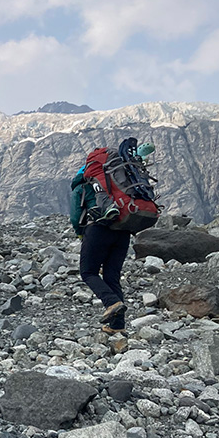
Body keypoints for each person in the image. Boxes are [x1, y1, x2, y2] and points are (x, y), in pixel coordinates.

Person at [70, 142, 154, 343]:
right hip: (123, 229)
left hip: (98, 228)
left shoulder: (83, 185)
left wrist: (80, 234)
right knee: (111, 275)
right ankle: (117, 326)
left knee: (88, 272)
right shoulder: (120, 179)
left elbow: (75, 215)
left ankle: (112, 303)